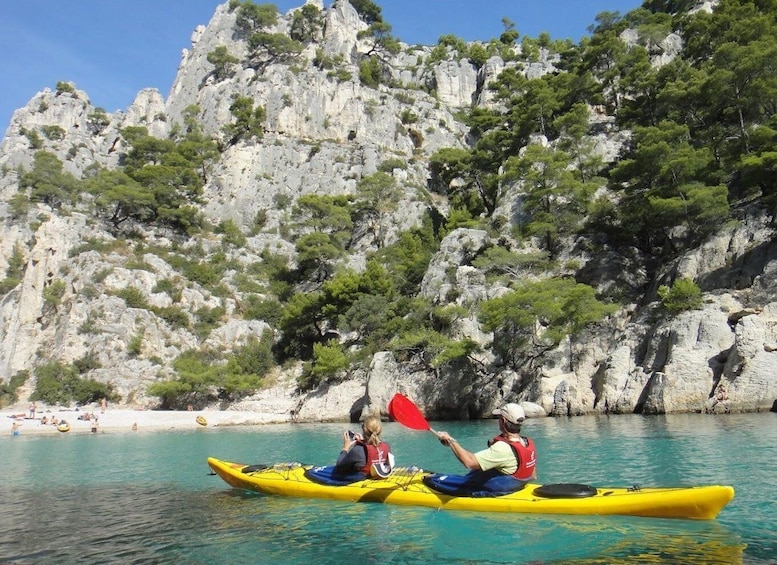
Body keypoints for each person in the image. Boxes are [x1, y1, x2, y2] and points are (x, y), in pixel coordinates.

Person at [435, 403, 536, 493]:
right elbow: (533, 475)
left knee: (434, 480)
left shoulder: (502, 448)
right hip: (518, 486)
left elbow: (469, 462)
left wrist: (450, 440)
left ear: (503, 421)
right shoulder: (526, 442)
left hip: (500, 490)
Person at [334, 415, 394, 480]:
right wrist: (362, 442)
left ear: (364, 429)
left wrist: (345, 448)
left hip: (362, 479)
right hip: (376, 476)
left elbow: (339, 467)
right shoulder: (387, 447)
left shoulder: (358, 450)